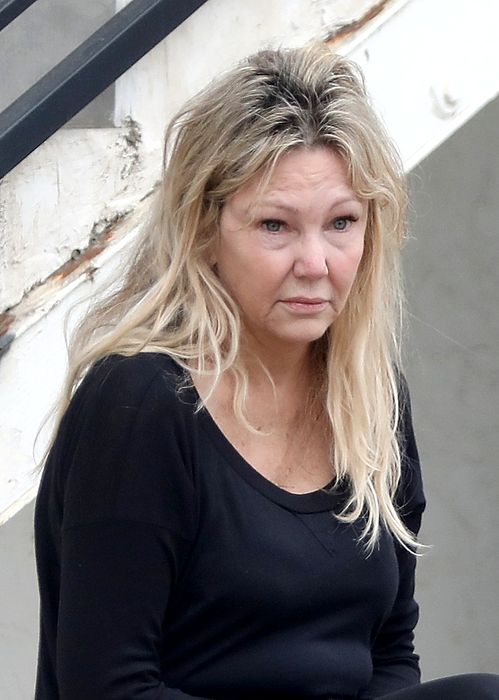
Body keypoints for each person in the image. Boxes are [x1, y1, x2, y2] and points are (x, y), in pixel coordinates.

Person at [34, 45, 499, 700]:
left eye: (341, 223)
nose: (315, 263)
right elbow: (107, 687)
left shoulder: (371, 399)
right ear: (204, 229)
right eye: (275, 225)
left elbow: (390, 652)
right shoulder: (140, 402)